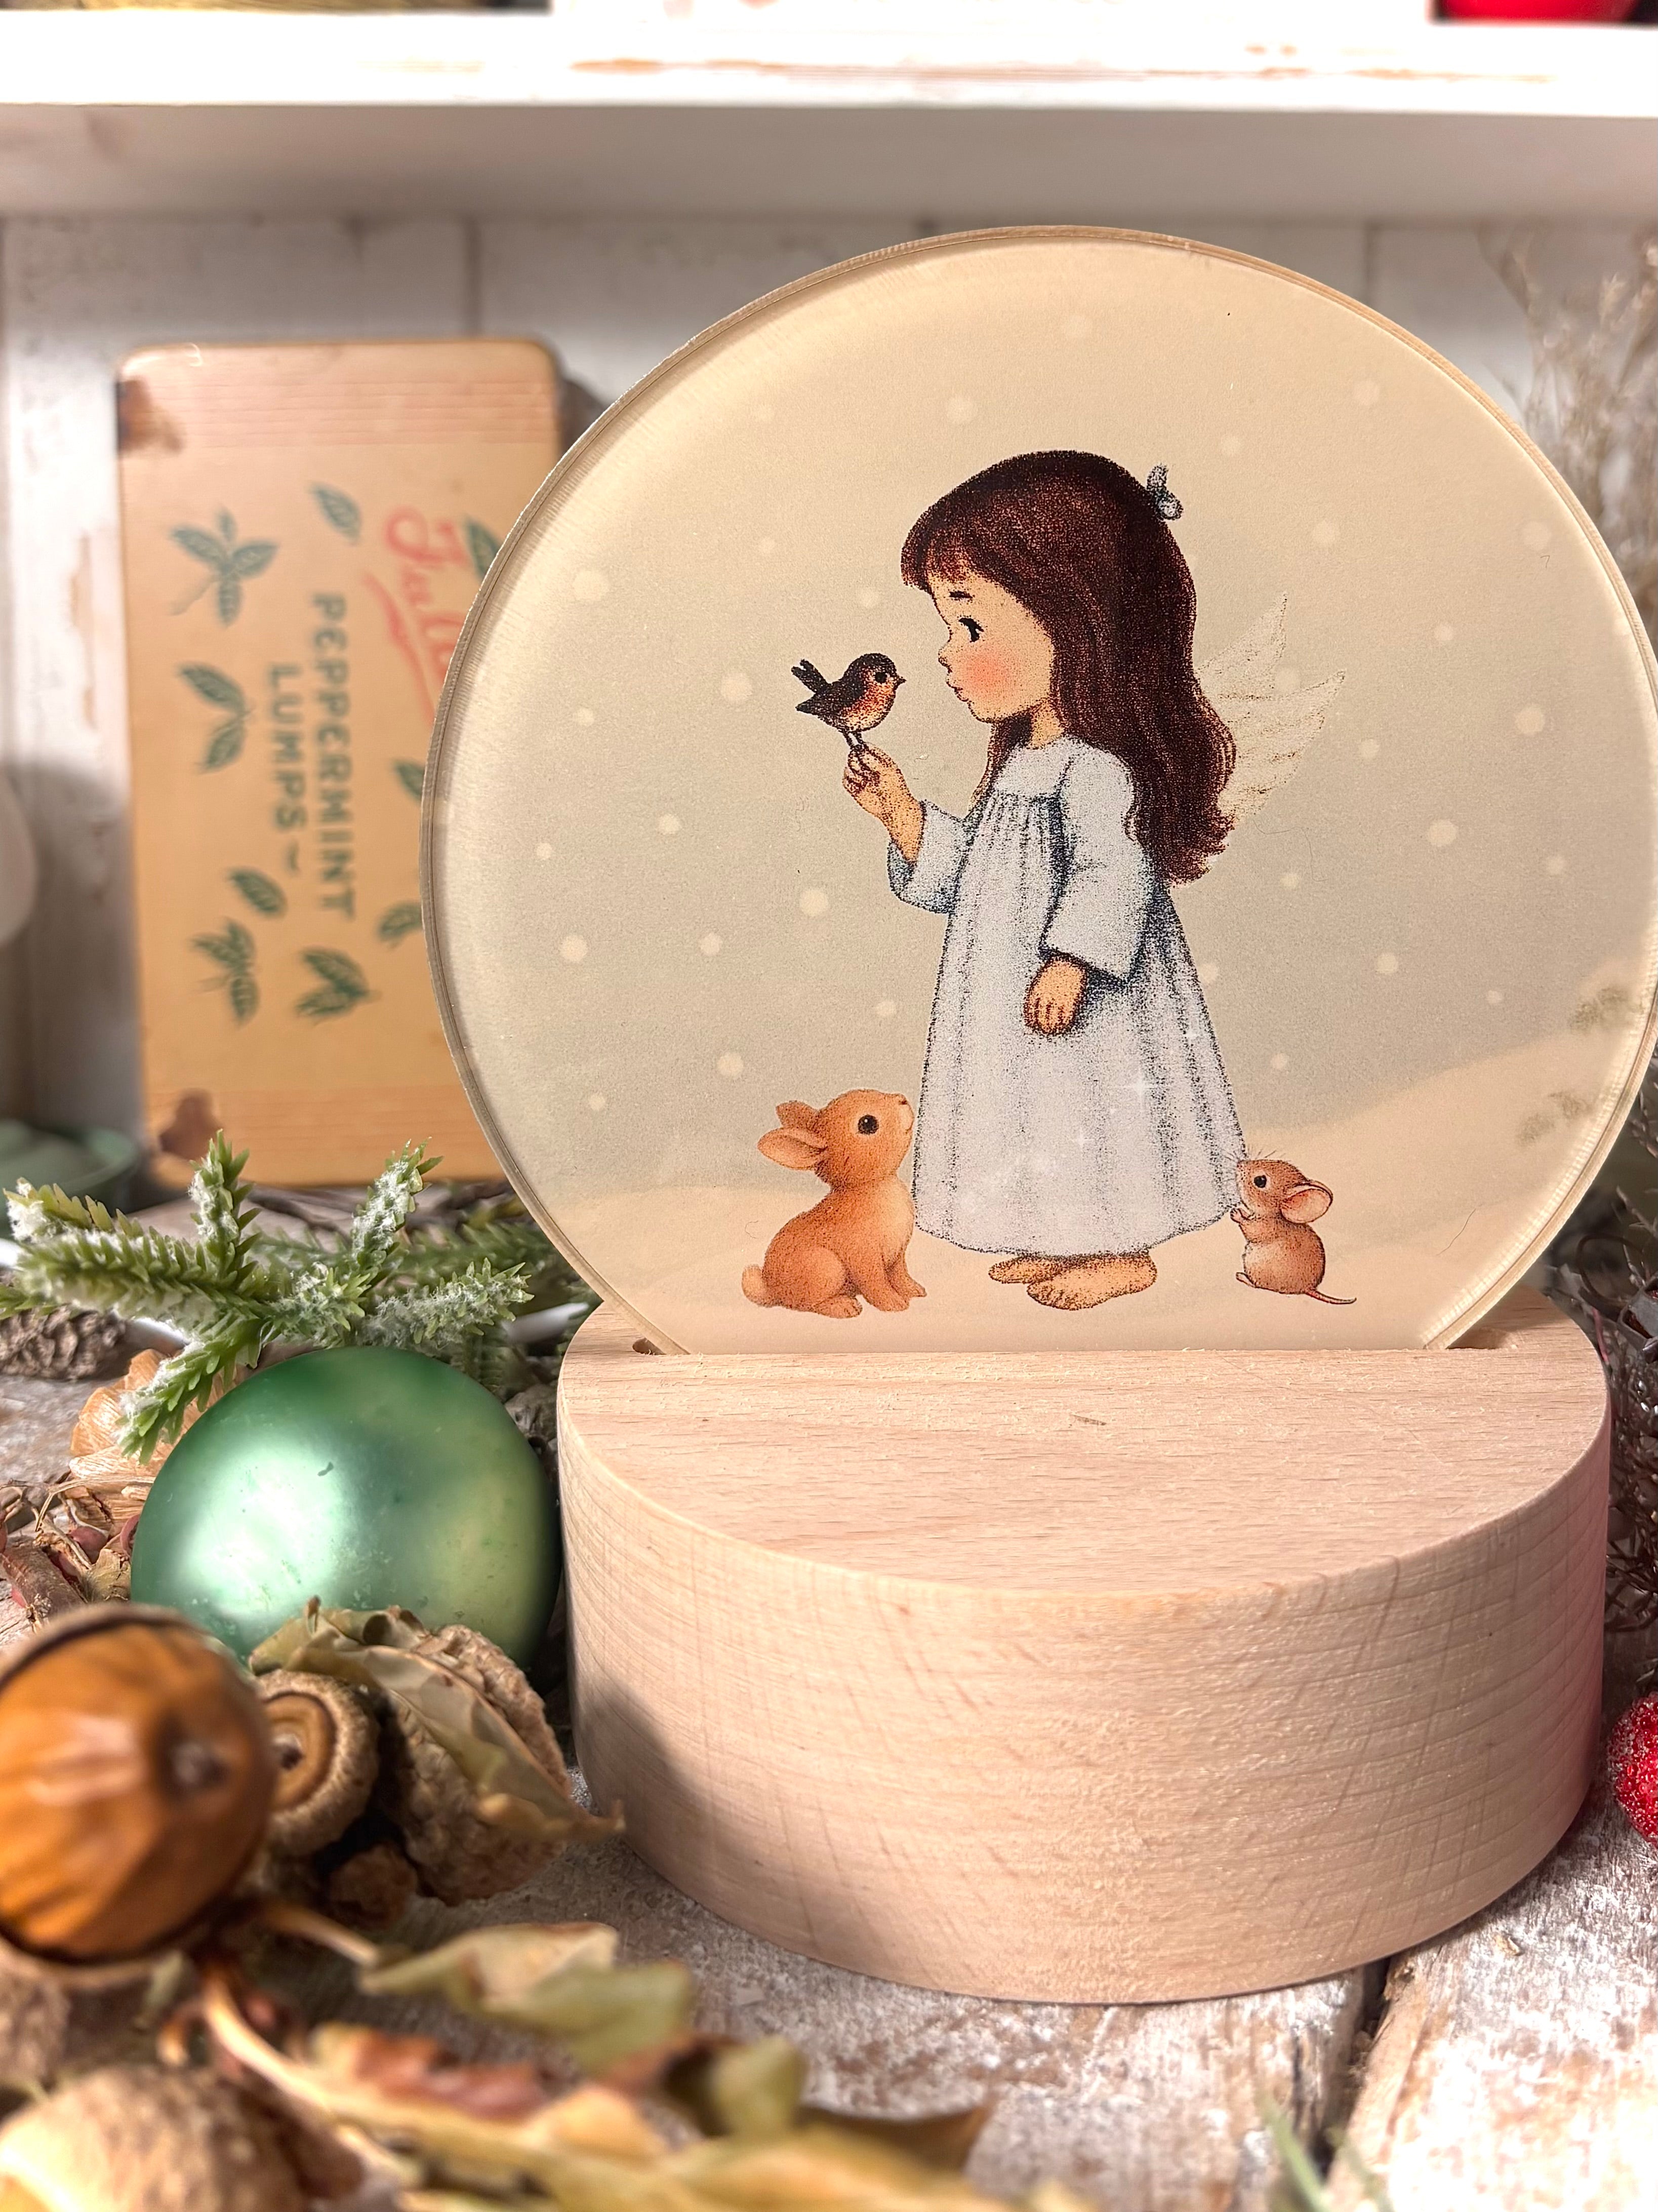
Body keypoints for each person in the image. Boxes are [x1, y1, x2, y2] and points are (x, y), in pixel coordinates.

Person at [845, 449, 1243, 1310]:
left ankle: (1120, 1249)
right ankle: (1060, 1233)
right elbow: (981, 878)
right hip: (1007, 988)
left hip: (1084, 996)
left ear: (1079, 623)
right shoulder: (1026, 761)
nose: (946, 654)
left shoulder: (1097, 769)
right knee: (1039, 1107)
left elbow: (1115, 870)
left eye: (970, 626)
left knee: (1095, 1101)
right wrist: (904, 816)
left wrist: (1072, 962)